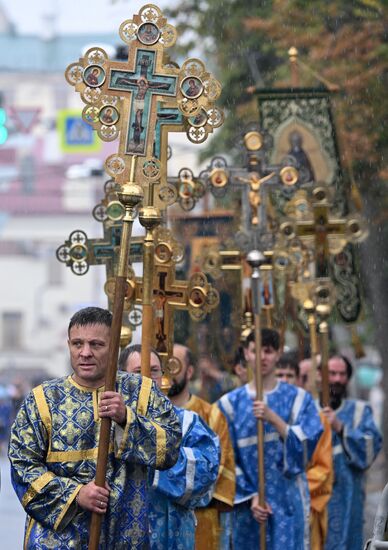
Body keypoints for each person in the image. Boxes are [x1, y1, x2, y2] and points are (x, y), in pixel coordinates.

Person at [8, 307, 182, 549]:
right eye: (77, 344)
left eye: (96, 345)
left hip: (124, 536)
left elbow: (171, 448)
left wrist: (126, 419)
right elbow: (22, 466)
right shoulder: (42, 400)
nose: (85, 353)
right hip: (57, 542)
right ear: (68, 344)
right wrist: (76, 494)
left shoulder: (142, 392)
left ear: (114, 348)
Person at [218, 328, 323, 549]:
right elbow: (225, 457)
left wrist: (275, 420)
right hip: (247, 505)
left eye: (268, 351)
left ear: (277, 354)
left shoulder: (298, 399)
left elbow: (309, 444)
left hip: (288, 502)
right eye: (256, 351)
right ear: (247, 353)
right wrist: (251, 496)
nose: (262, 357)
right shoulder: (228, 405)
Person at [120, 344, 221, 550]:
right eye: (139, 372)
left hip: (171, 536)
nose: (148, 379)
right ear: (122, 377)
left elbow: (206, 474)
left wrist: (149, 452)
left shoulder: (187, 422)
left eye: (154, 371)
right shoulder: (109, 425)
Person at [170, 343, 236, 550]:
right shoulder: (144, 415)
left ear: (189, 371)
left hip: (200, 520)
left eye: (173, 366)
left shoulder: (211, 416)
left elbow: (216, 470)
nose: (166, 373)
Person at [320, 355, 382, 550]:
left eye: (342, 374)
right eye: (332, 374)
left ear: (348, 378)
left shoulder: (360, 411)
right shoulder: (309, 409)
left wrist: (341, 427)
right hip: (317, 498)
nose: (337, 379)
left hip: (349, 498)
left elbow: (371, 446)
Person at [276, 352, 333, 550]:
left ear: (299, 379)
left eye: (289, 376)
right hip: (268, 507)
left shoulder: (317, 418)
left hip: (303, 502)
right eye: (279, 375)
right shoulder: (261, 415)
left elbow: (323, 468)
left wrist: (292, 488)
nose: (284, 381)